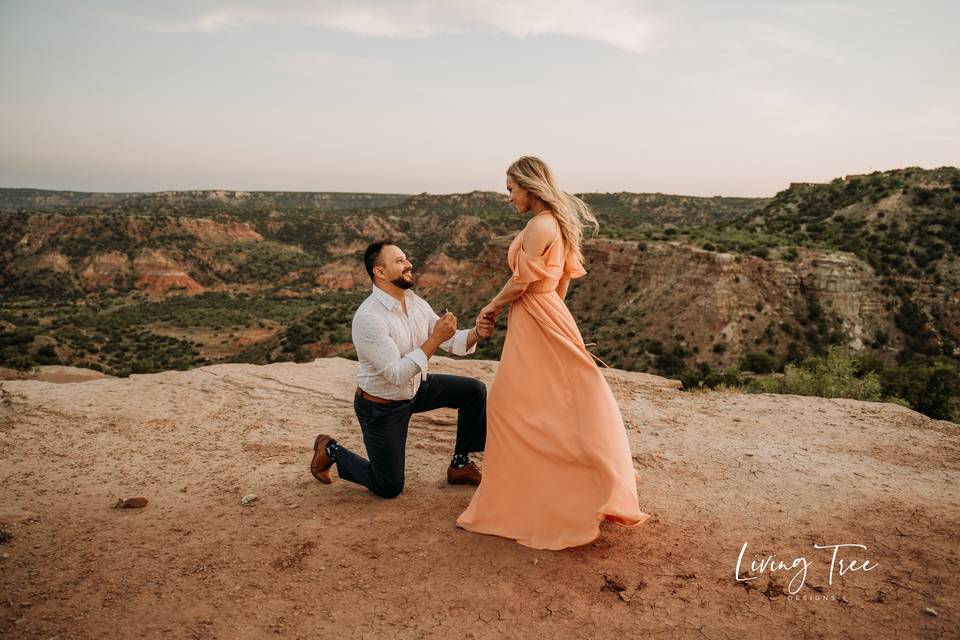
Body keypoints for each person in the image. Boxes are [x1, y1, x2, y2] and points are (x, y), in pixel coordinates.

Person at [456, 156, 651, 549]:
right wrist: (551, 313)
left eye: (511, 189)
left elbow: (521, 280)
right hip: (547, 312)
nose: (508, 197)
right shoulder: (557, 225)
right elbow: (560, 283)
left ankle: (533, 499)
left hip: (534, 314)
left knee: (513, 407)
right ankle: (575, 483)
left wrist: (491, 307)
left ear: (528, 186)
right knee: (552, 402)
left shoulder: (537, 226)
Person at [310, 240, 494, 498]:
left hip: (416, 388)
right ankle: (330, 450)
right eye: (399, 261)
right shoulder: (369, 318)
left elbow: (451, 341)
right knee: (389, 487)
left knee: (474, 391)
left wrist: (477, 332)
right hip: (382, 405)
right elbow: (396, 374)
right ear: (380, 272)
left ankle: (461, 464)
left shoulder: (415, 302)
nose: (409, 264)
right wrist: (434, 340)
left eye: (406, 259)